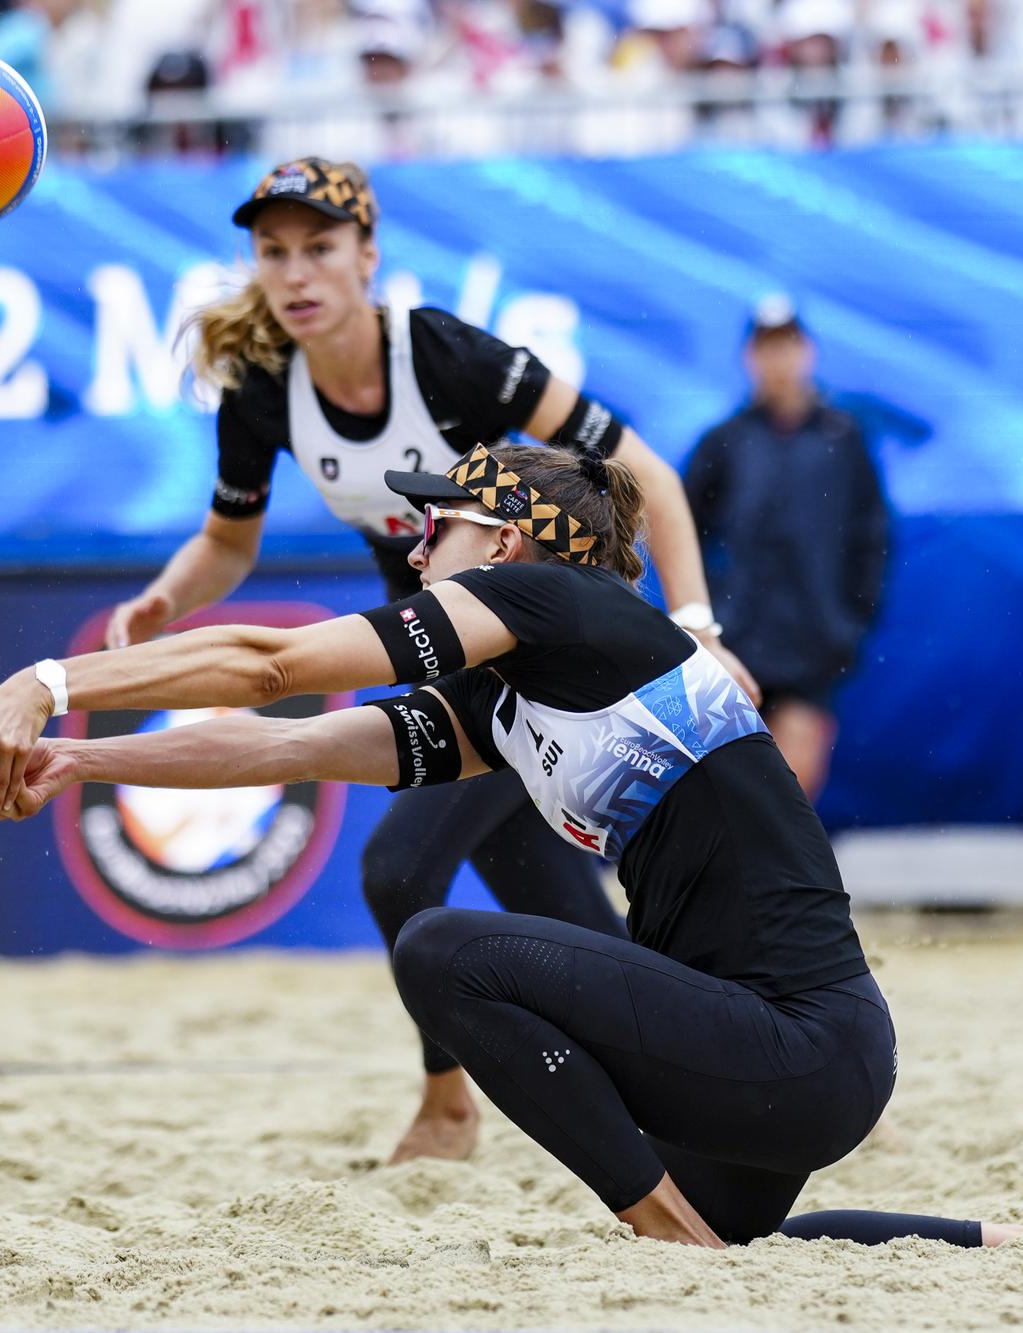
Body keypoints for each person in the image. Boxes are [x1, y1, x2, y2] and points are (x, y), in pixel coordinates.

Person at [0, 442, 1023, 1249]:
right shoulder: (513, 698)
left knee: (442, 949)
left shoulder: (554, 606)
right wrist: (83, 762)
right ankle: (981, 1236)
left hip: (796, 1040)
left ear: (511, 544)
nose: (416, 536)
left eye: (439, 519)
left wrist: (49, 683)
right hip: (780, 1060)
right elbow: (288, 741)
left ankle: (660, 1233)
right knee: (740, 1237)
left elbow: (266, 665)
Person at [104, 157, 756, 1164]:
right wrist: (167, 597)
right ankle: (741, 1070)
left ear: (368, 256)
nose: (295, 272)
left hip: (546, 648)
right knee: (554, 903)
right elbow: (228, 541)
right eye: (272, 252)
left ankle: (448, 1104)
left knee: (396, 865)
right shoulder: (264, 386)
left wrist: (699, 623)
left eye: (319, 247)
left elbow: (646, 472)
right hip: (444, 660)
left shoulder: (448, 358)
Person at [683, 294, 888, 803]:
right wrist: (703, 614)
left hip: (813, 642)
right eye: (767, 348)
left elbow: (872, 537)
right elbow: (682, 529)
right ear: (749, 357)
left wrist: (850, 622)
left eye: (788, 347)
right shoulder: (724, 441)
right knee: (736, 779)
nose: (779, 362)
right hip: (736, 642)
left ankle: (787, 881)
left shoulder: (843, 440)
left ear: (808, 353)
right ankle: (743, 880)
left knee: (793, 787)